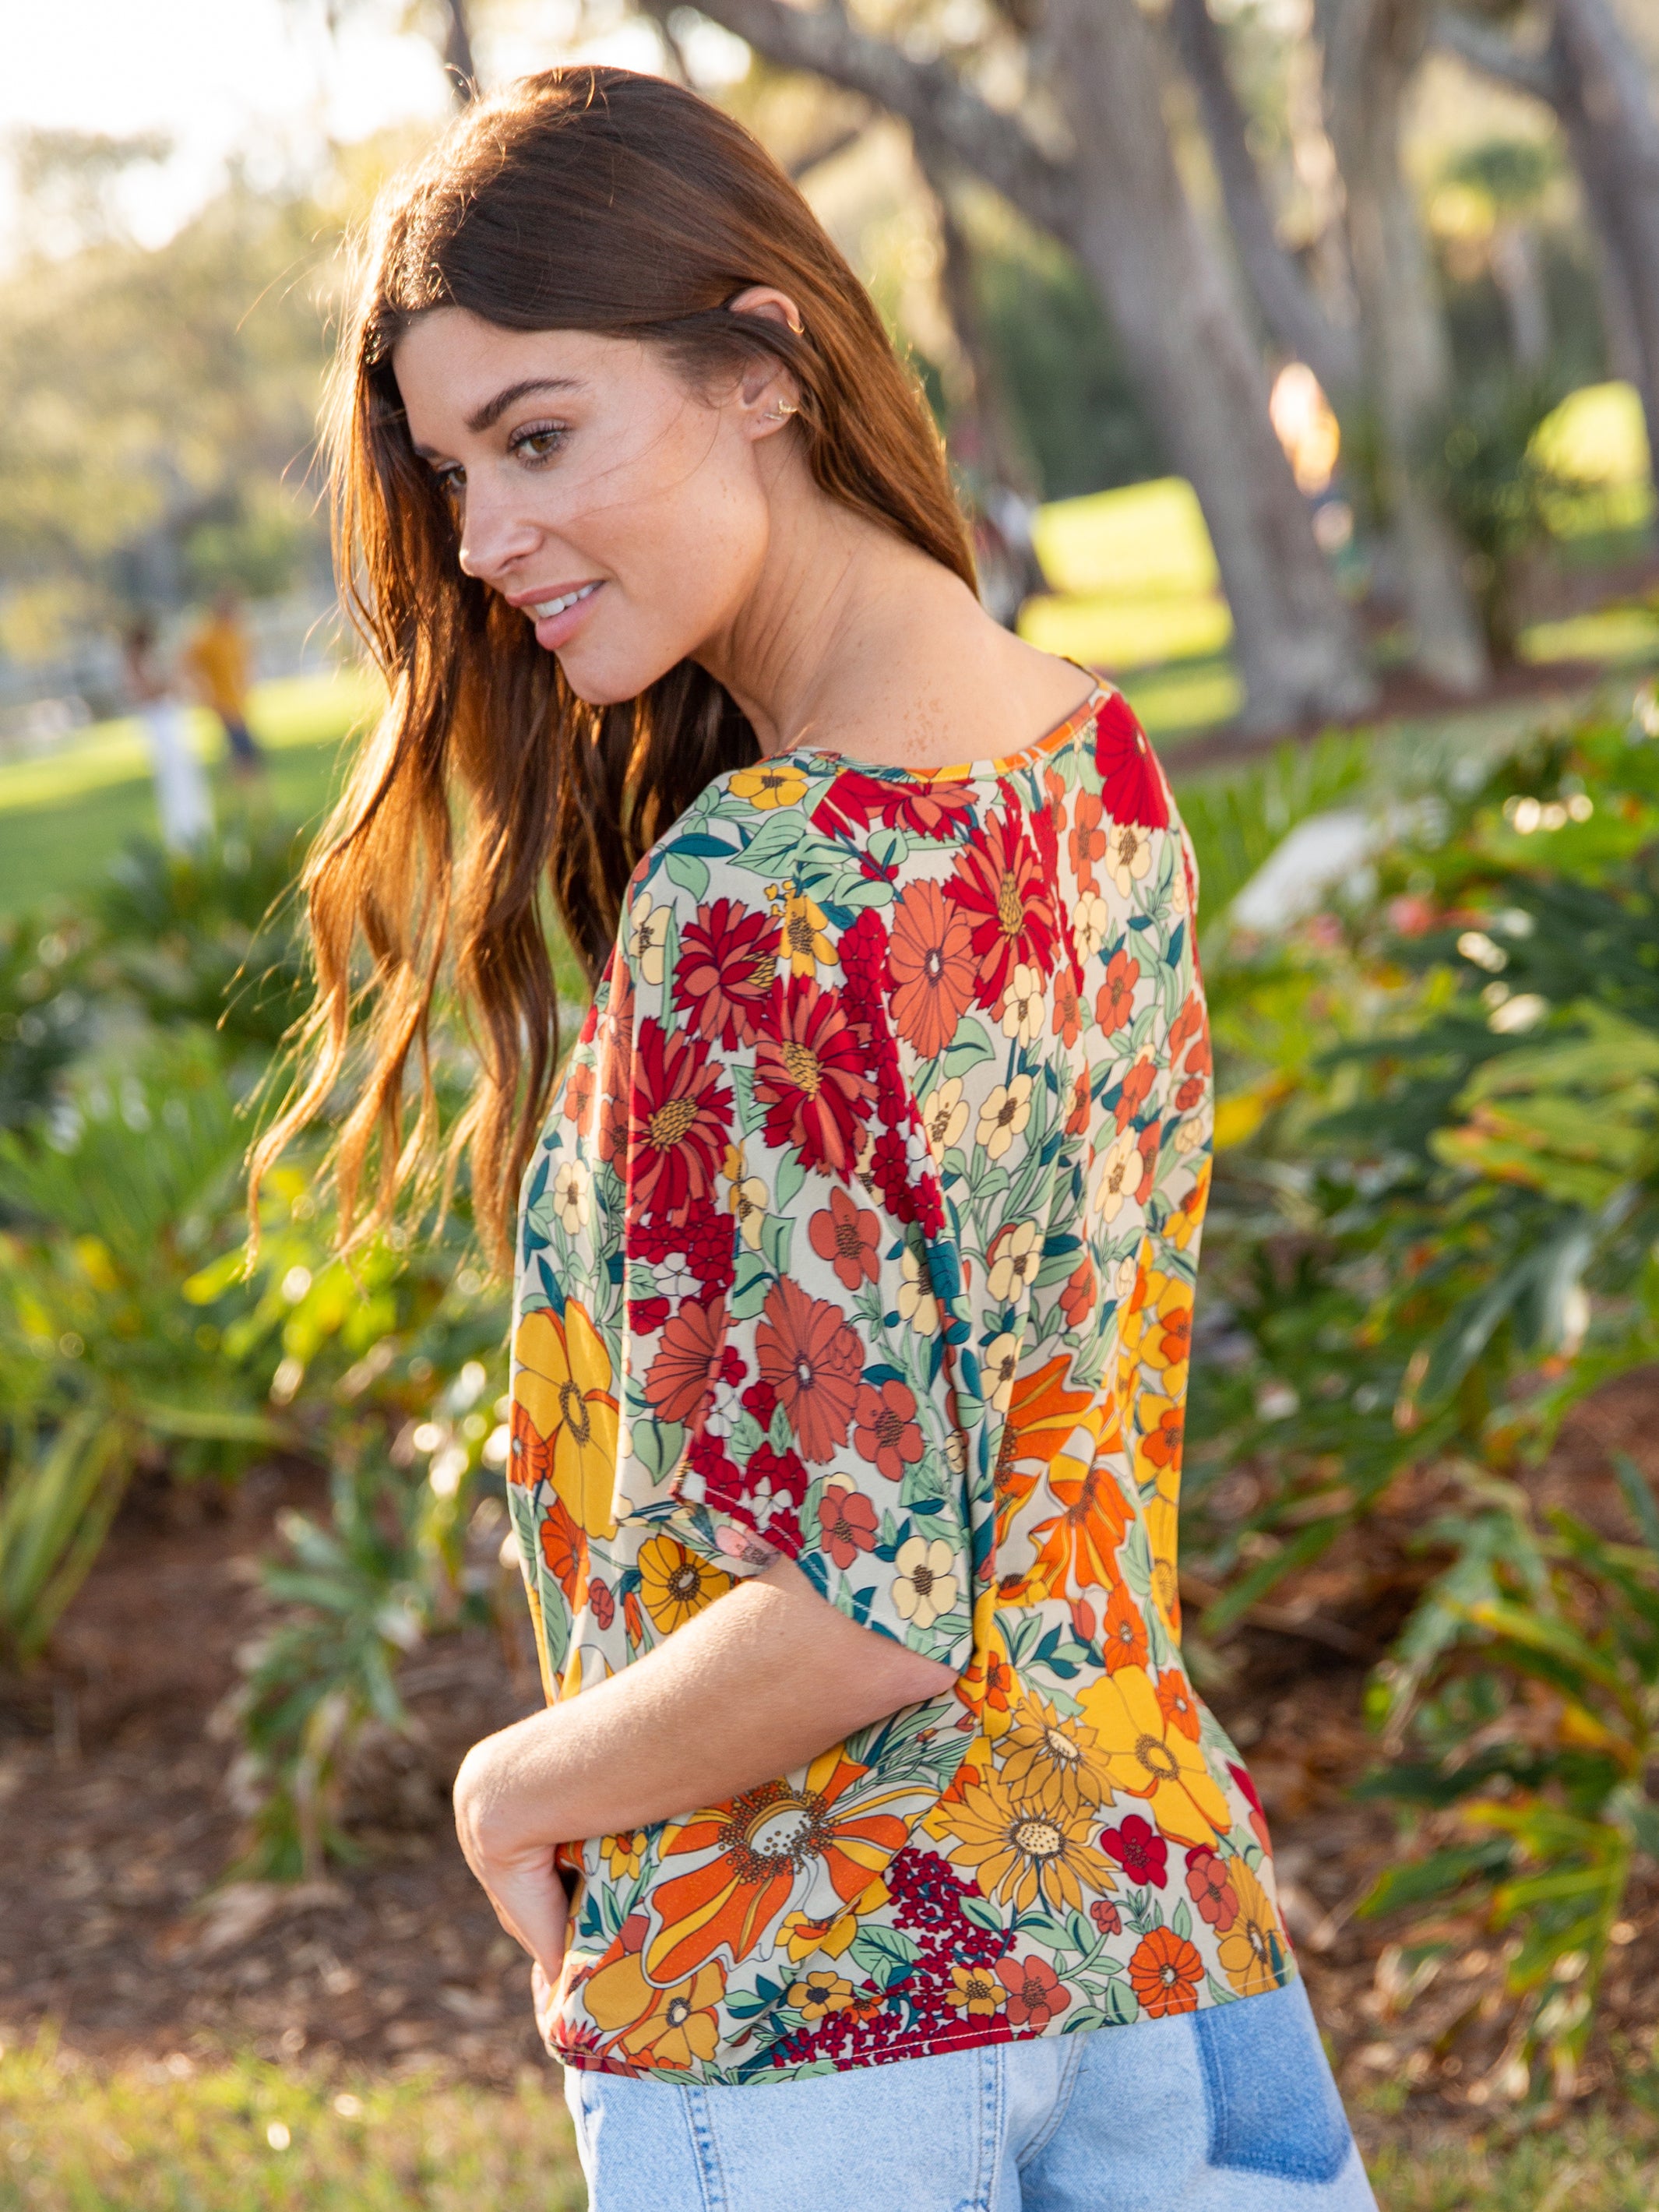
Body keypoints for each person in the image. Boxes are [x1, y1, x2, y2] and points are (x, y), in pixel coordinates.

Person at [254, 67, 1375, 2212]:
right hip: (1139, 1912)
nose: (481, 543)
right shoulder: (1091, 762)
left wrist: (510, 1786)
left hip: (814, 1986)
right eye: (452, 471)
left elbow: (858, 1611)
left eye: (538, 436)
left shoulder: (763, 883)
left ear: (759, 361)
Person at [122, 616, 213, 852]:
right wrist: (170, 682)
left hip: (169, 717)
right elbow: (148, 691)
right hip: (160, 720)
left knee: (186, 773)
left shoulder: (150, 657)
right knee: (174, 777)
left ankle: (196, 827)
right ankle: (183, 832)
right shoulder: (135, 660)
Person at [183, 586, 265, 777]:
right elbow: (187, 664)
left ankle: (243, 786)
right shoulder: (208, 638)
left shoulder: (235, 635)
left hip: (239, 702)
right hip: (224, 704)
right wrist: (201, 690)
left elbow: (246, 663)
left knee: (246, 752)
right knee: (244, 753)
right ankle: (245, 787)